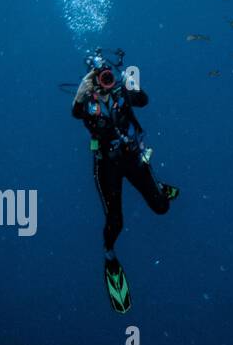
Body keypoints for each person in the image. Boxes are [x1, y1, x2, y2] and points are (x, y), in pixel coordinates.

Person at [71, 50, 178, 313]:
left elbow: (143, 100)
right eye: (99, 77)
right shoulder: (87, 101)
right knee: (116, 221)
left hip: (131, 157)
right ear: (92, 80)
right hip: (106, 165)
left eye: (107, 75)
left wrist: (132, 84)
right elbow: (75, 113)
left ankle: (158, 188)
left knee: (162, 208)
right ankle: (109, 255)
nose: (105, 80)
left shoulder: (121, 92)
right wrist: (81, 93)